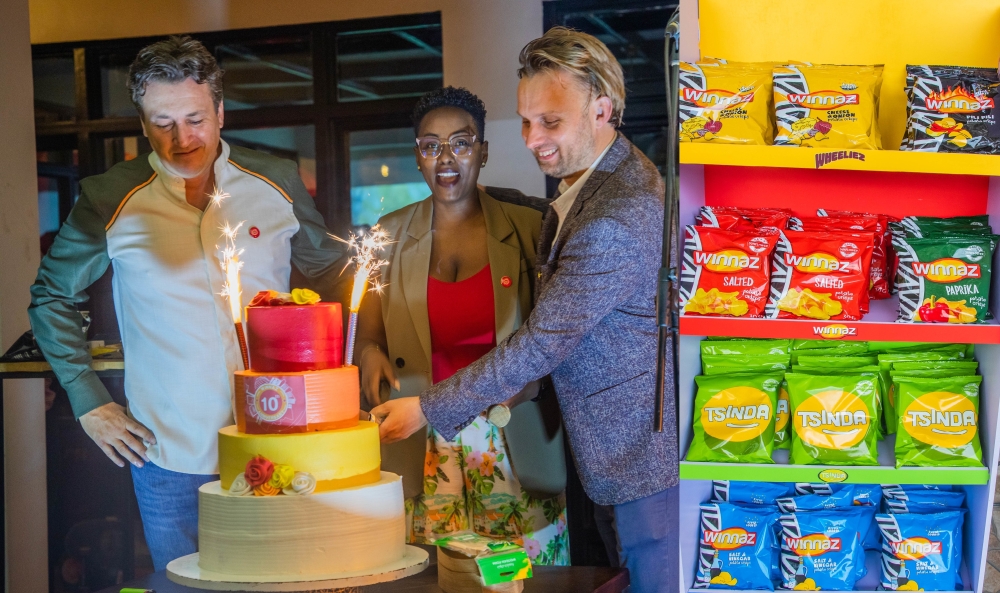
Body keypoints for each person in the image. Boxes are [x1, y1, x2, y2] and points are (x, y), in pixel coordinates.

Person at [372, 27, 677, 592]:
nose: (533, 139)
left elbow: (542, 344)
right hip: (609, 451)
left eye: (551, 122)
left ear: (602, 110)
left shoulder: (614, 215)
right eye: (526, 120)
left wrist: (427, 409)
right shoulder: (600, 180)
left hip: (637, 458)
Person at [28, 36, 347, 570]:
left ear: (221, 111)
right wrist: (87, 400)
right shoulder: (110, 196)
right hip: (167, 452)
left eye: (196, 118)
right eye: (162, 122)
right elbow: (50, 296)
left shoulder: (277, 179)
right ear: (143, 121)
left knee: (288, 581)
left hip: (279, 437)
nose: (181, 140)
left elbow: (333, 272)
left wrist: (344, 366)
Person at [355, 87, 569, 565]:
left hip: (513, 437)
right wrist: (370, 355)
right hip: (422, 440)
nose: (446, 158)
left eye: (462, 142)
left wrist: (531, 386)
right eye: (431, 145)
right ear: (417, 156)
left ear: (484, 152)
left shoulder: (532, 230)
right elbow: (367, 334)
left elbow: (557, 342)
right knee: (435, 575)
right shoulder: (386, 237)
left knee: (522, 578)